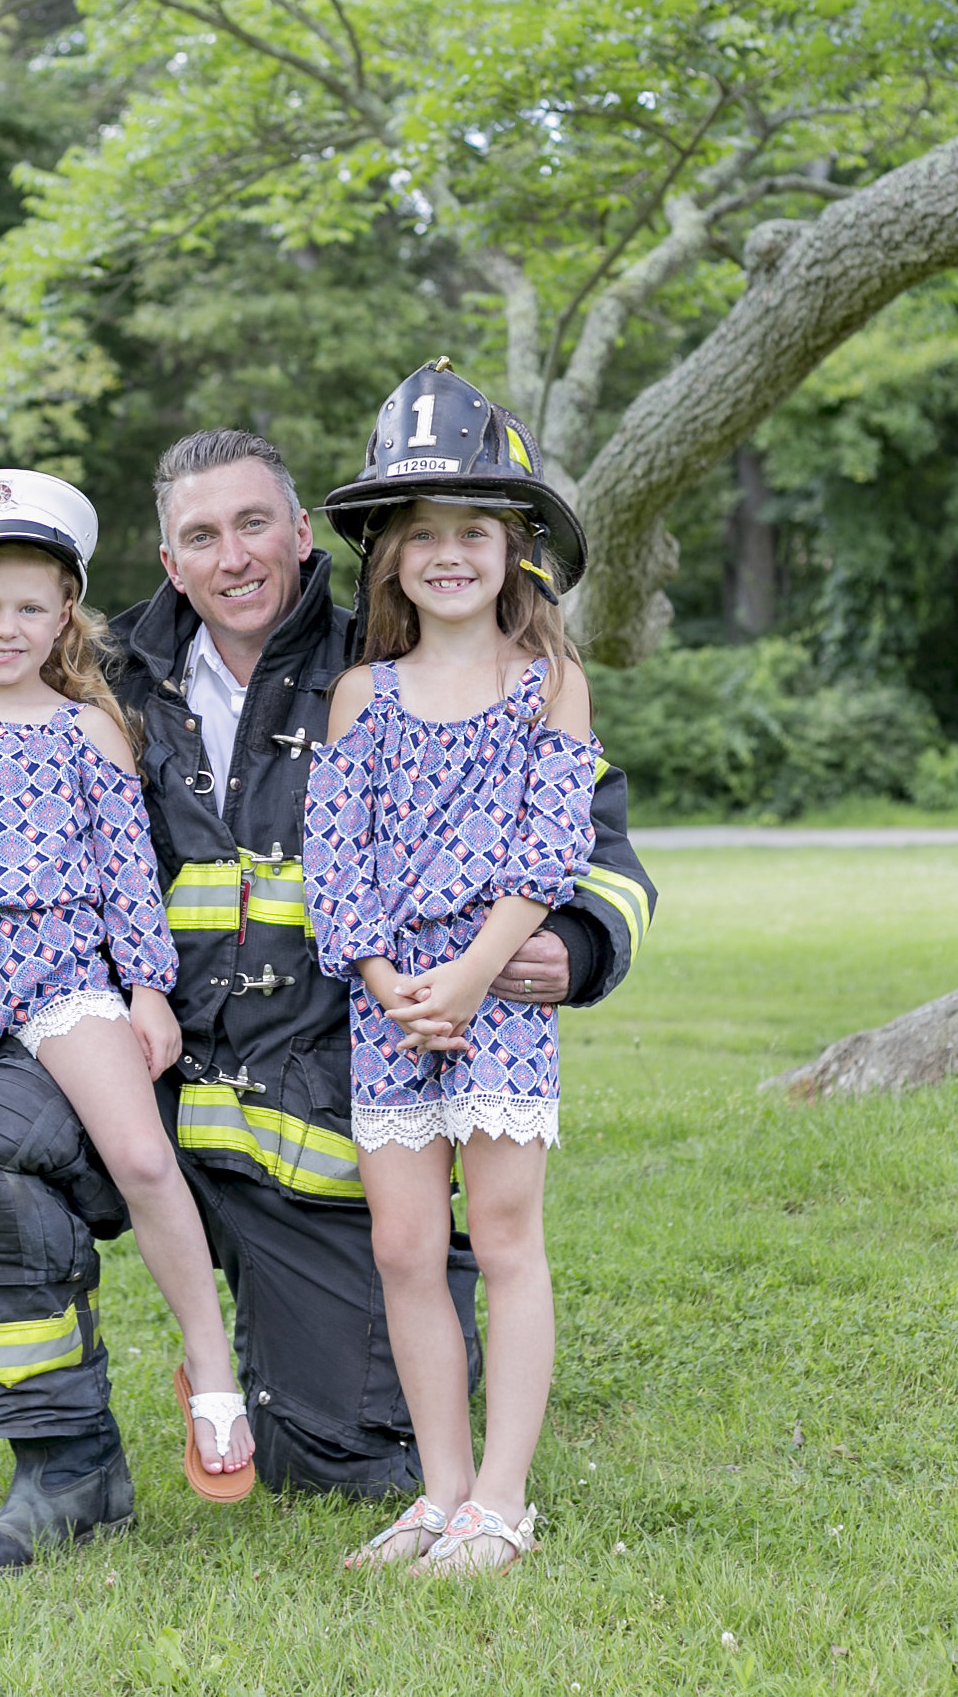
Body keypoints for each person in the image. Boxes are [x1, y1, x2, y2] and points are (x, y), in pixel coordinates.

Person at [0, 389, 655, 1567]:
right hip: (118, 1059)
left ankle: (352, 1395)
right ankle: (63, 1463)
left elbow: (596, 845)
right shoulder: (104, 681)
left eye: (256, 523)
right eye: (202, 535)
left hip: (324, 1093)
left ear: (304, 533)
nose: (233, 554)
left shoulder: (391, 654)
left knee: (355, 1455)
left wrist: (581, 939)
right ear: (168, 559)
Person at [0, 468, 253, 1539]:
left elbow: (124, 876)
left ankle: (211, 1368)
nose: (7, 626)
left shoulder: (87, 730)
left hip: (65, 970)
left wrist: (149, 988)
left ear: (66, 609)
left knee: (144, 1156)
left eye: (30, 603)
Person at [306, 360, 596, 1574]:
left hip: (494, 996)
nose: (449, 553)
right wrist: (384, 981)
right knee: (406, 1247)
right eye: (423, 534)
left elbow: (552, 849)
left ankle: (504, 1501)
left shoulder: (550, 687)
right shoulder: (362, 693)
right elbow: (338, 858)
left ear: (515, 546)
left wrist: (475, 974)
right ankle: (439, 1489)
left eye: (475, 530)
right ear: (389, 558)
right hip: (391, 1005)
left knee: (509, 1233)